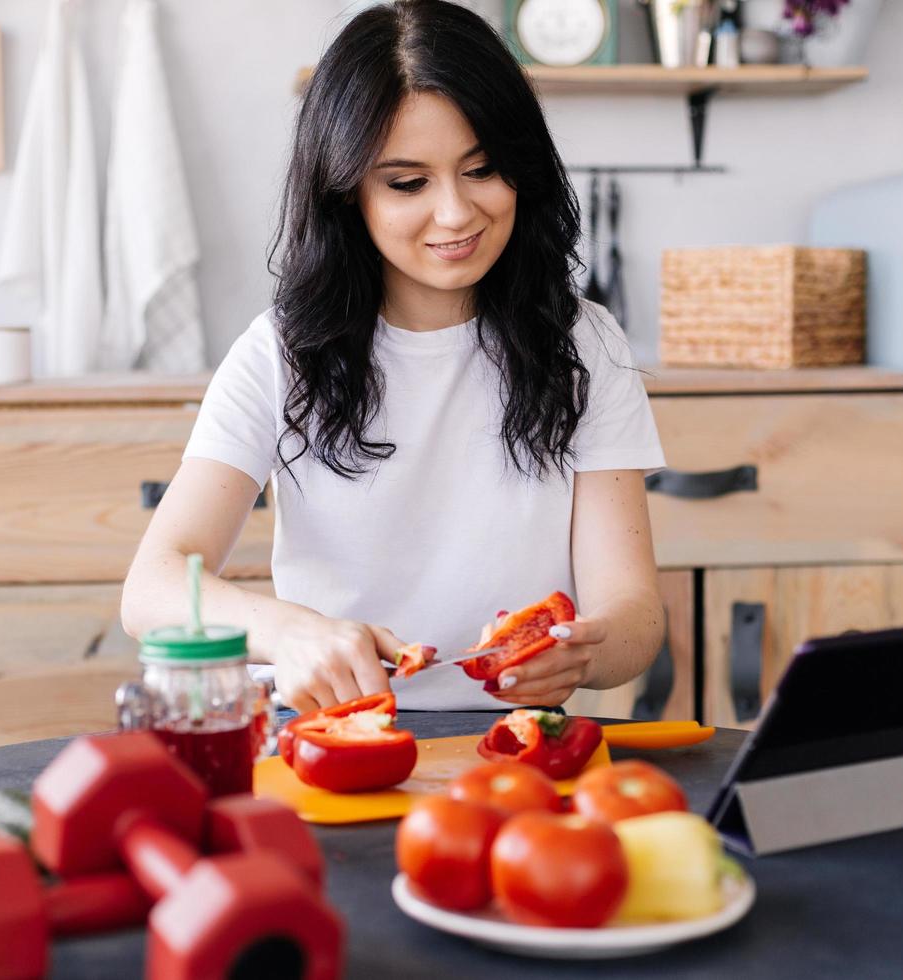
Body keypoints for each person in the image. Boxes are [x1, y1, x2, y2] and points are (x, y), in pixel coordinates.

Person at [121, 0, 666, 715]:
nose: (456, 214)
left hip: (518, 747)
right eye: (408, 183)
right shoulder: (283, 352)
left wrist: (582, 652)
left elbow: (634, 613)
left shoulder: (581, 342)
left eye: (482, 169)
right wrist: (286, 632)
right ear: (348, 192)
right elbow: (152, 589)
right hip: (334, 737)